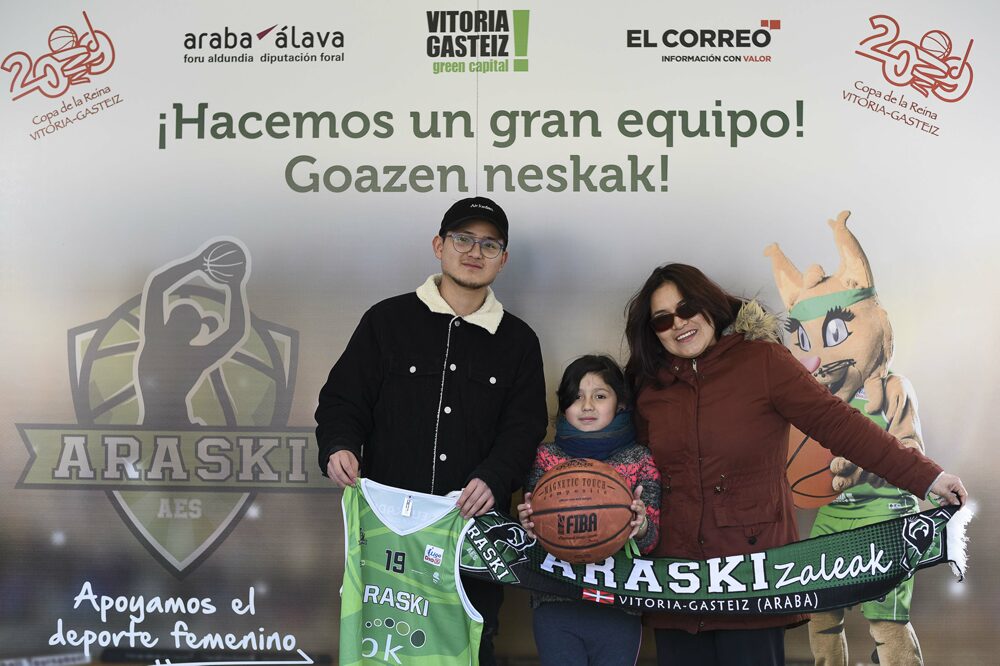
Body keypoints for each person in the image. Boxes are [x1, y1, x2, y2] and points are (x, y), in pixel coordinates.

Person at [622, 263, 968, 666]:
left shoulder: (764, 362)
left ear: (709, 305)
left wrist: (927, 477)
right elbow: (628, 470)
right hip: (676, 585)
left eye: (686, 309)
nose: (678, 324)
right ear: (653, 332)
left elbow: (842, 426)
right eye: (663, 319)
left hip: (752, 579)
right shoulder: (649, 386)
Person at [315, 196, 548, 665]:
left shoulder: (519, 341)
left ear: (503, 260)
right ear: (439, 245)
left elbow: (524, 428)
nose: (474, 251)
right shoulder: (386, 320)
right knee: (382, 648)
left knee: (469, 647)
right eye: (463, 239)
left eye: (489, 244)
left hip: (471, 536)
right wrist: (338, 445)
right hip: (386, 536)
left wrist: (495, 477)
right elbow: (343, 401)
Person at [517, 354, 661, 666]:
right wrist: (529, 528)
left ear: (620, 403)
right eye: (576, 397)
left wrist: (641, 526)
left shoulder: (639, 457)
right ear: (563, 405)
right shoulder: (545, 457)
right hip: (556, 601)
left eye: (599, 396)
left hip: (619, 603)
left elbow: (651, 542)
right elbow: (531, 542)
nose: (587, 407)